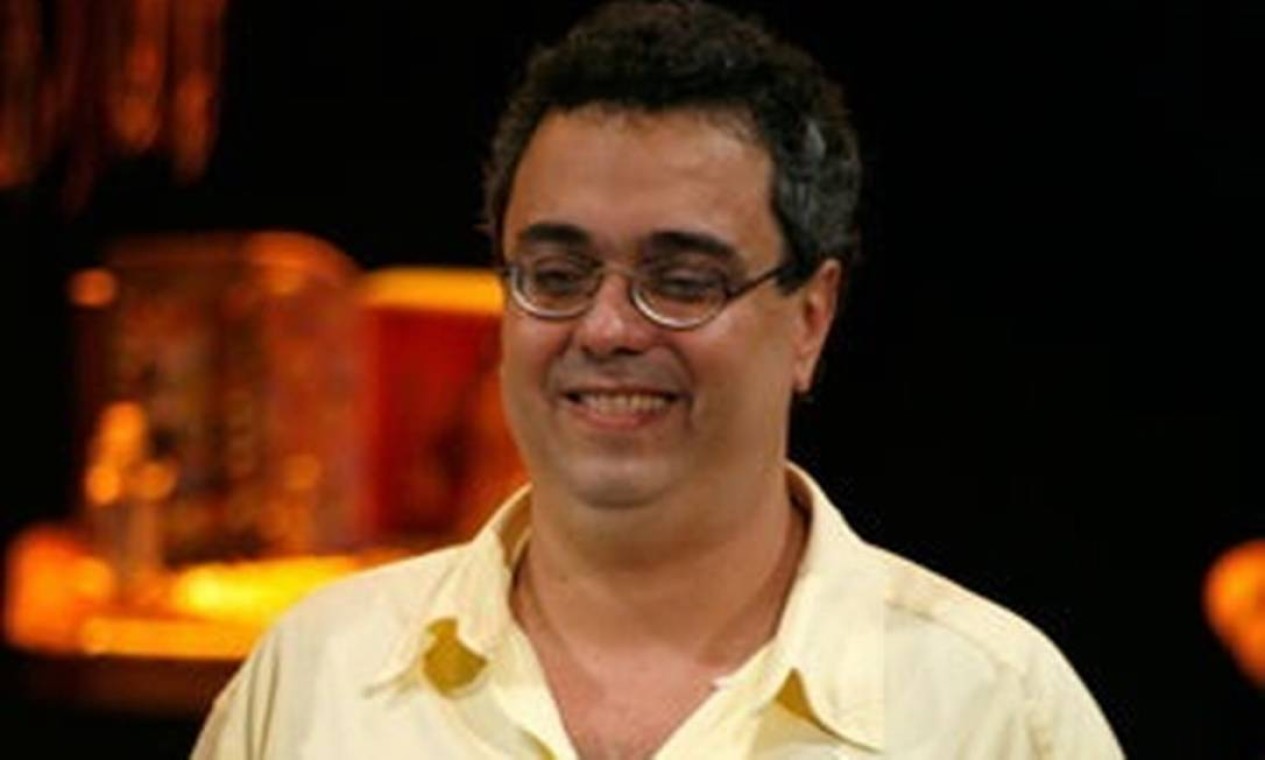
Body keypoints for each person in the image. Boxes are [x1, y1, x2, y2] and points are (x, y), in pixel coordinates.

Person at [191, 1, 1124, 757]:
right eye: (557, 275)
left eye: (680, 282)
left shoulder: (991, 710)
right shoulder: (315, 679)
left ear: (810, 317)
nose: (605, 328)